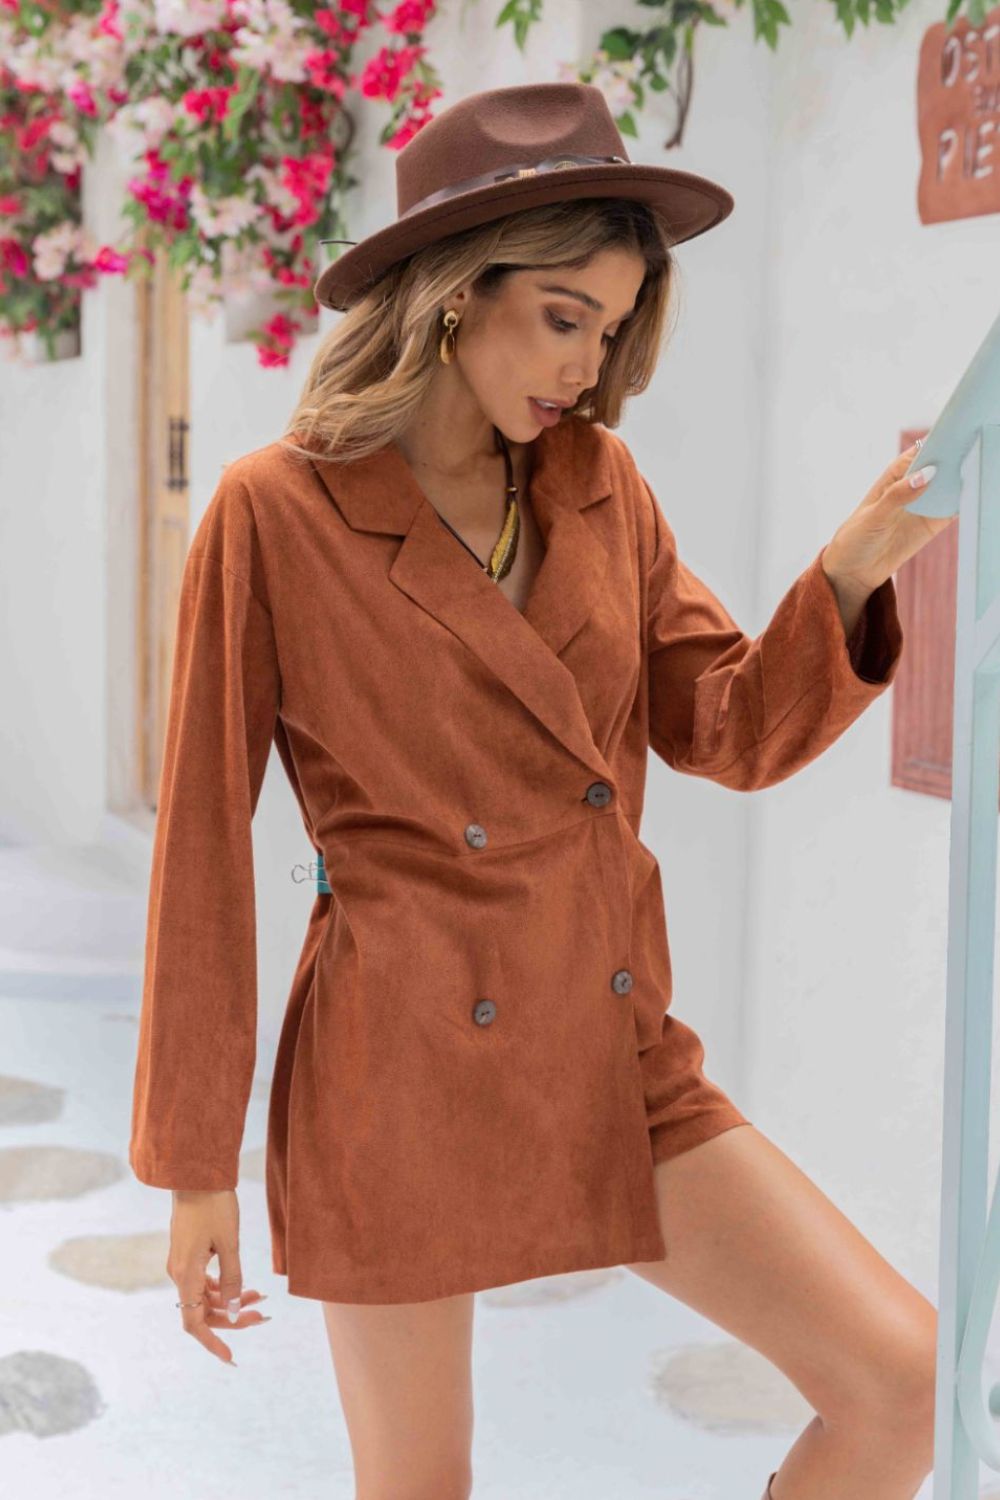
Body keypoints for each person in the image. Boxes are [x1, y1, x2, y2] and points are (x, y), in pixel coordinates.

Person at [130, 81, 949, 1500]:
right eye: (564, 315)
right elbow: (201, 846)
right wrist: (196, 1167)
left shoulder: (599, 487)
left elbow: (727, 730)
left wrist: (852, 570)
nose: (588, 362)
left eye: (612, 328)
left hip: (610, 1042)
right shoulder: (276, 509)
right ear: (457, 292)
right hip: (396, 1066)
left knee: (905, 1384)